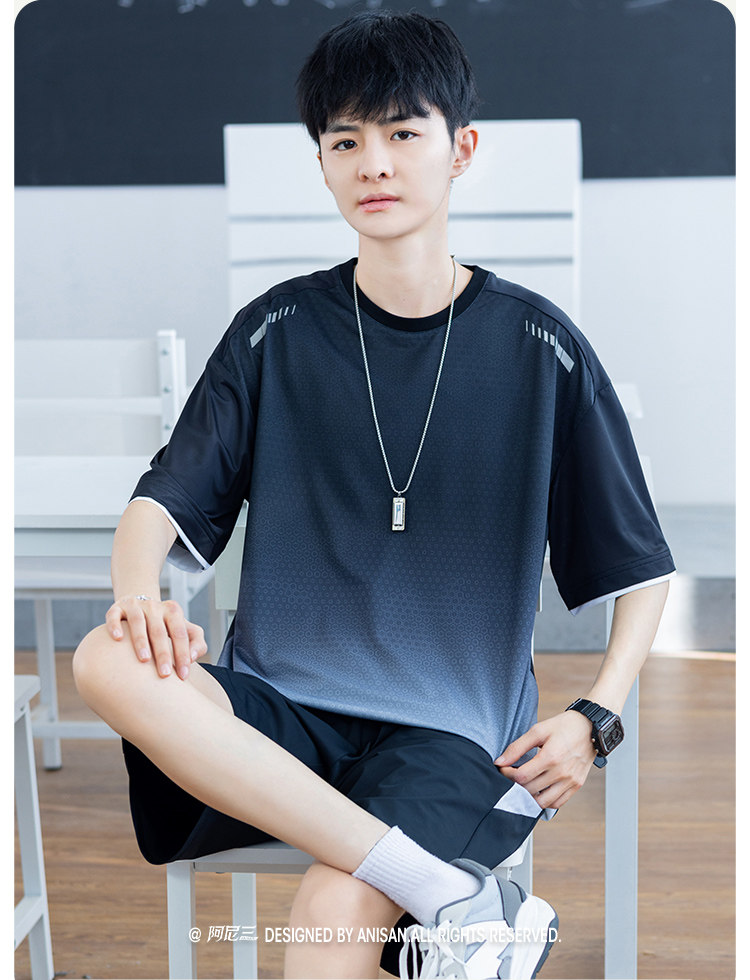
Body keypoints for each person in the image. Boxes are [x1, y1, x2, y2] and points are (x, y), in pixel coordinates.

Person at [73, 10, 675, 979]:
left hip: (452, 730)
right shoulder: (274, 330)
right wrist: (139, 590)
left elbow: (640, 569)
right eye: (346, 140)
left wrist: (595, 717)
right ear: (320, 163)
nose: (375, 163)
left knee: (332, 908)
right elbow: (163, 499)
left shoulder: (541, 347)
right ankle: (454, 898)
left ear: (461, 149)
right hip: (279, 712)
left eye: (402, 132)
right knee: (106, 654)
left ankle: (424, 887)